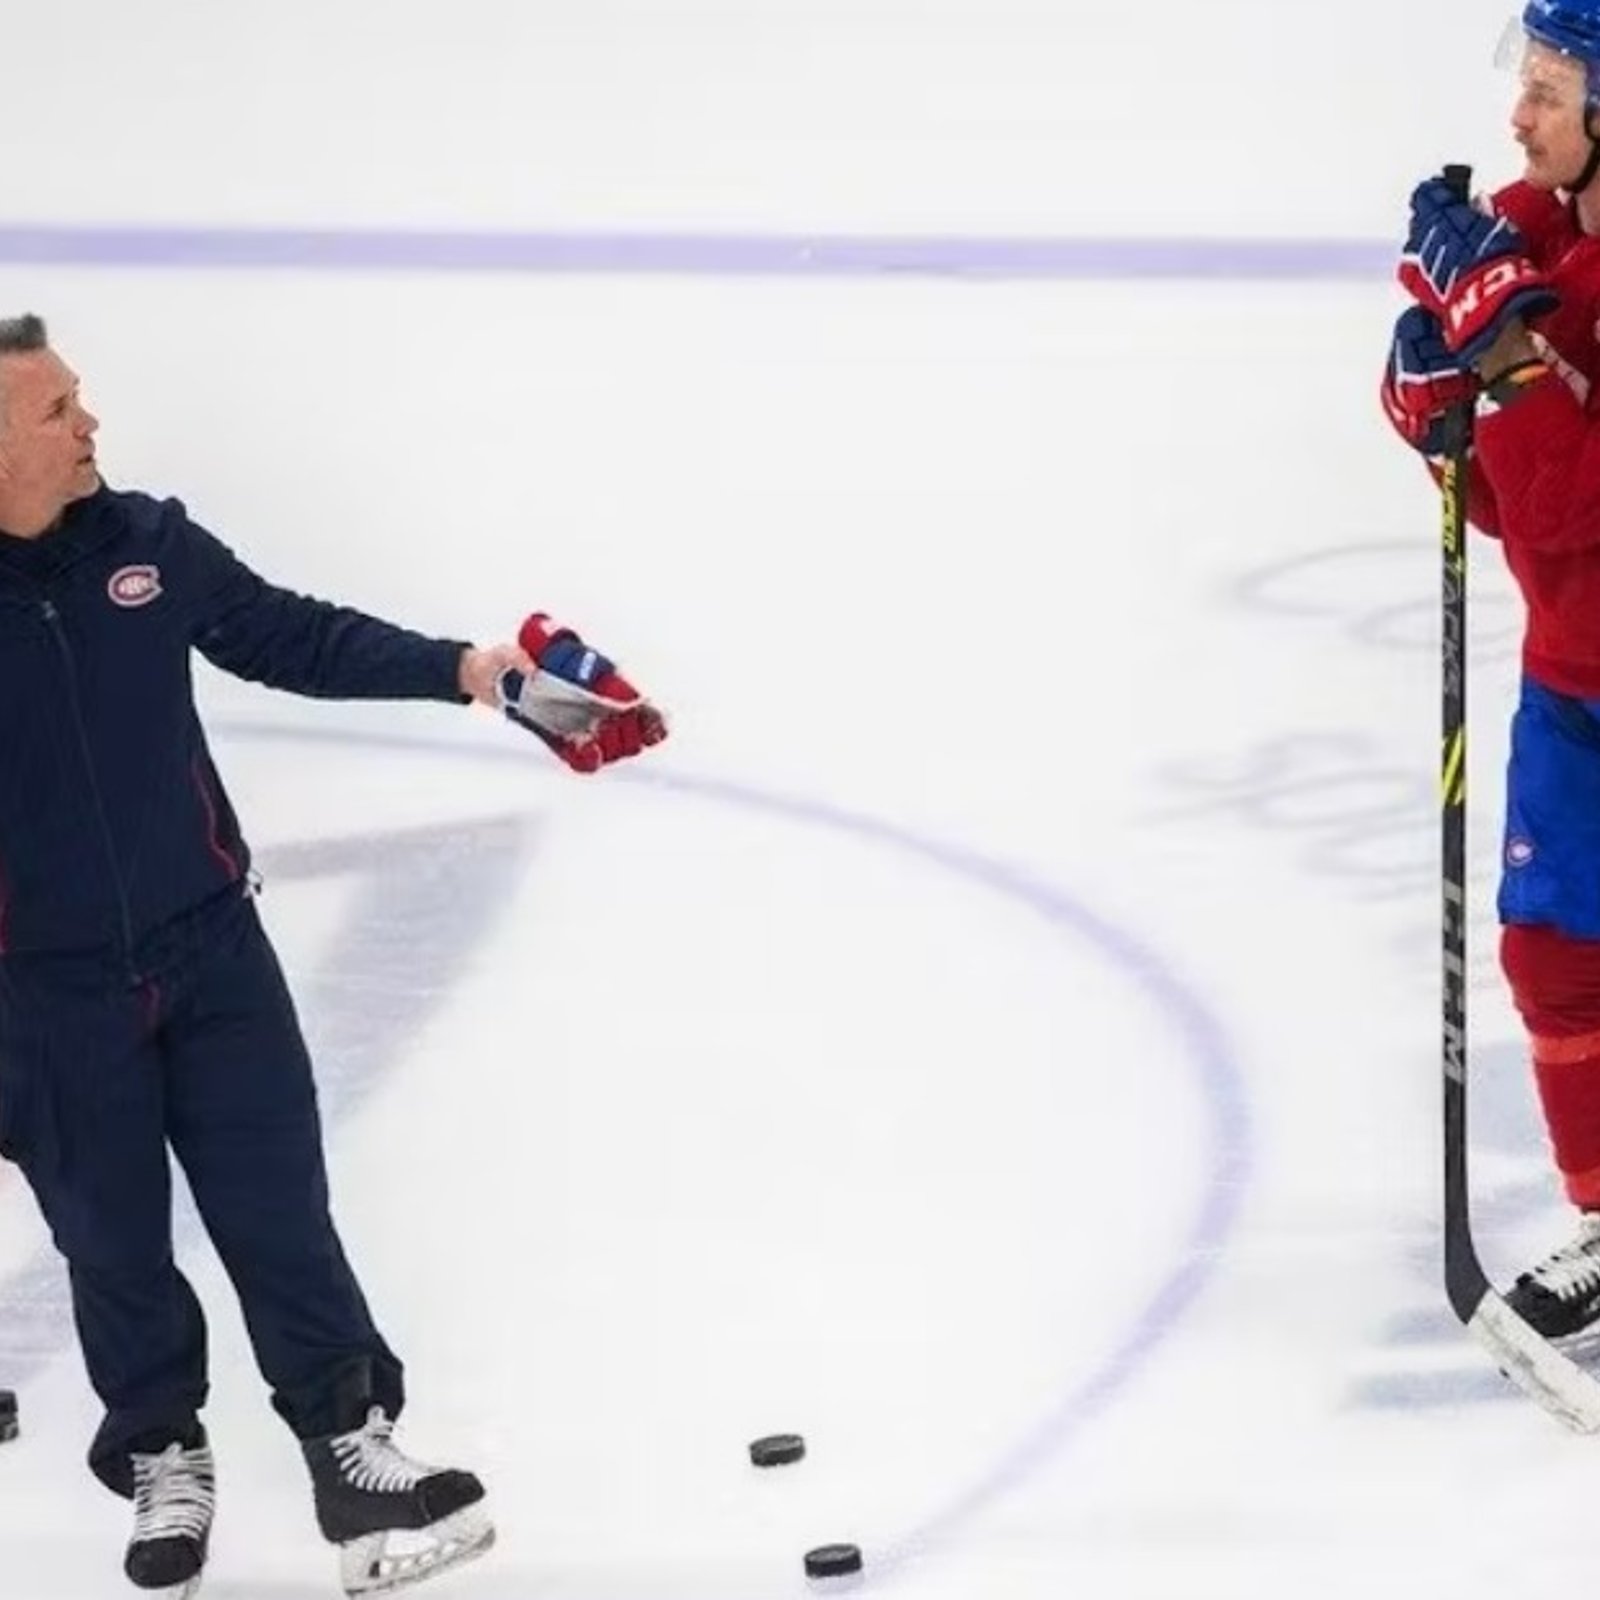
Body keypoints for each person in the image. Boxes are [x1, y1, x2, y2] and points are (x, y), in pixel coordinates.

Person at [0, 313, 668, 1597]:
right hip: (49, 995)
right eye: (55, 412)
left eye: (79, 399)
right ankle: (161, 1456)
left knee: (279, 1211)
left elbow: (290, 635)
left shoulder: (147, 546)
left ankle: (349, 1444)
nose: (89, 425)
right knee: (113, 1241)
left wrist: (484, 675)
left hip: (211, 954)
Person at [1383, 0, 1600, 1340]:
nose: (1518, 120)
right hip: (1576, 682)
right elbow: (1517, 505)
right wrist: (1432, 403)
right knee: (1555, 955)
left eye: (1548, 91)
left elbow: (1578, 509)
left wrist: (1506, 358)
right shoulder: (1537, 238)